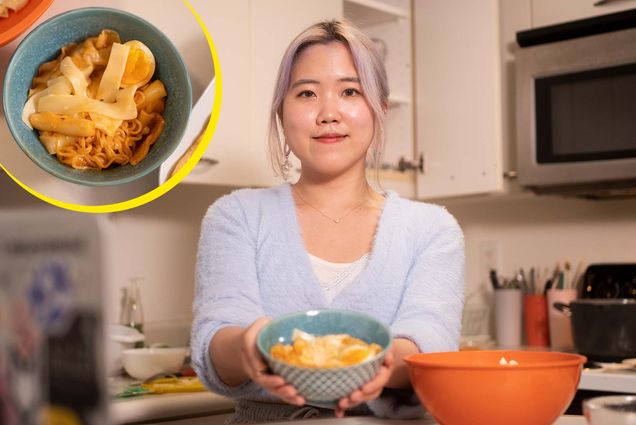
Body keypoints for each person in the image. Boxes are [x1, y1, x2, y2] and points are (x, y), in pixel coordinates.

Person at [191, 19, 465, 423]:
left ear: (379, 110)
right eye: (306, 93)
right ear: (282, 115)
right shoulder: (235, 217)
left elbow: (431, 342)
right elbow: (216, 338)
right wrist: (248, 347)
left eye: (350, 91)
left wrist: (381, 362)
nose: (329, 113)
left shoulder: (432, 229)